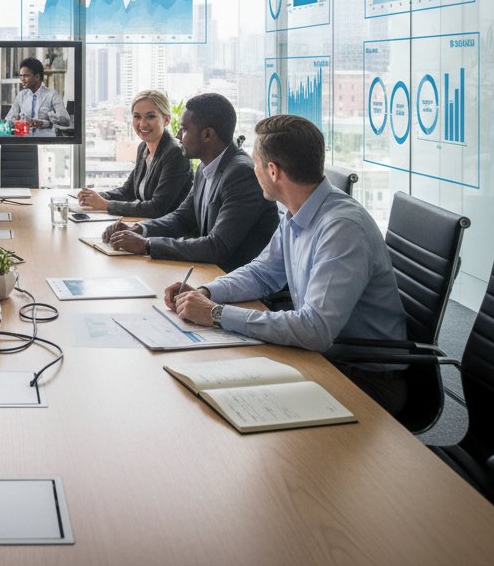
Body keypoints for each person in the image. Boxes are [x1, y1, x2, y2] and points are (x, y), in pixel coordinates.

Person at [168, 114, 408, 415]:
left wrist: (216, 314)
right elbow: (262, 272)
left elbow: (315, 329)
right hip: (319, 357)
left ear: (273, 171)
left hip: (362, 377)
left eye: (255, 163)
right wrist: (206, 292)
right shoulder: (299, 210)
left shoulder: (342, 229)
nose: (252, 170)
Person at [102, 92, 278, 272]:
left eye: (184, 129)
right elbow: (182, 218)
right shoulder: (205, 166)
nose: (178, 135)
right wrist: (139, 229)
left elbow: (217, 246)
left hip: (239, 281)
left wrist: (147, 245)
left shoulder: (241, 174)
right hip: (212, 273)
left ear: (207, 135)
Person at [78, 89, 192, 218]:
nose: (142, 124)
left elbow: (157, 208)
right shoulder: (143, 148)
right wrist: (95, 196)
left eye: (150, 116)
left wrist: (106, 204)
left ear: (166, 119)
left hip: (169, 228)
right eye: (137, 116)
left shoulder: (175, 153)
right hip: (146, 223)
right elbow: (128, 191)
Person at [5, 57, 70, 131]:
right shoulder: (21, 95)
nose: (22, 79)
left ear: (37, 77)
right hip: (25, 137)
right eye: (21, 76)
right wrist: (15, 121)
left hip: (45, 137)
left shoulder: (52, 95)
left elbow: (66, 120)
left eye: (26, 76)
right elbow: (9, 119)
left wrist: (44, 122)